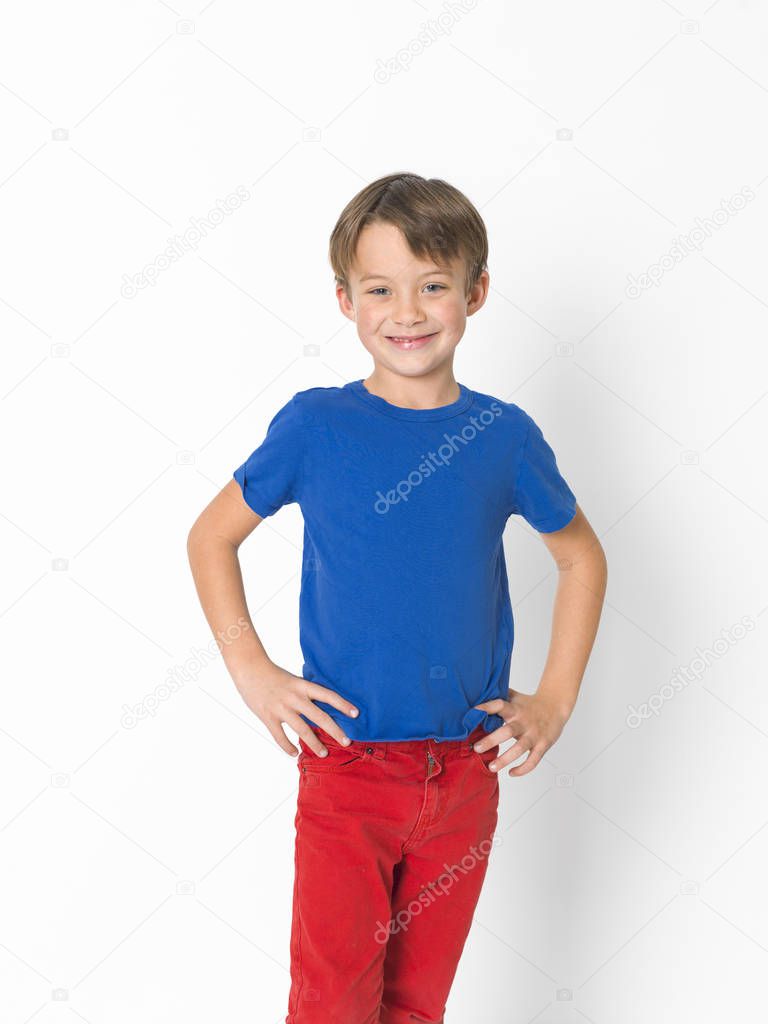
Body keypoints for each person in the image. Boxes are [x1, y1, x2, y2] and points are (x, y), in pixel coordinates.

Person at [187, 172, 608, 1024]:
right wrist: (253, 671)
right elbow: (210, 537)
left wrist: (555, 700)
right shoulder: (316, 425)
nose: (407, 311)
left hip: (463, 772)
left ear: (475, 293)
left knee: (416, 1004)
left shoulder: (503, 436)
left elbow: (582, 559)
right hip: (346, 767)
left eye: (433, 286)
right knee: (333, 1004)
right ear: (344, 299)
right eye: (380, 289)